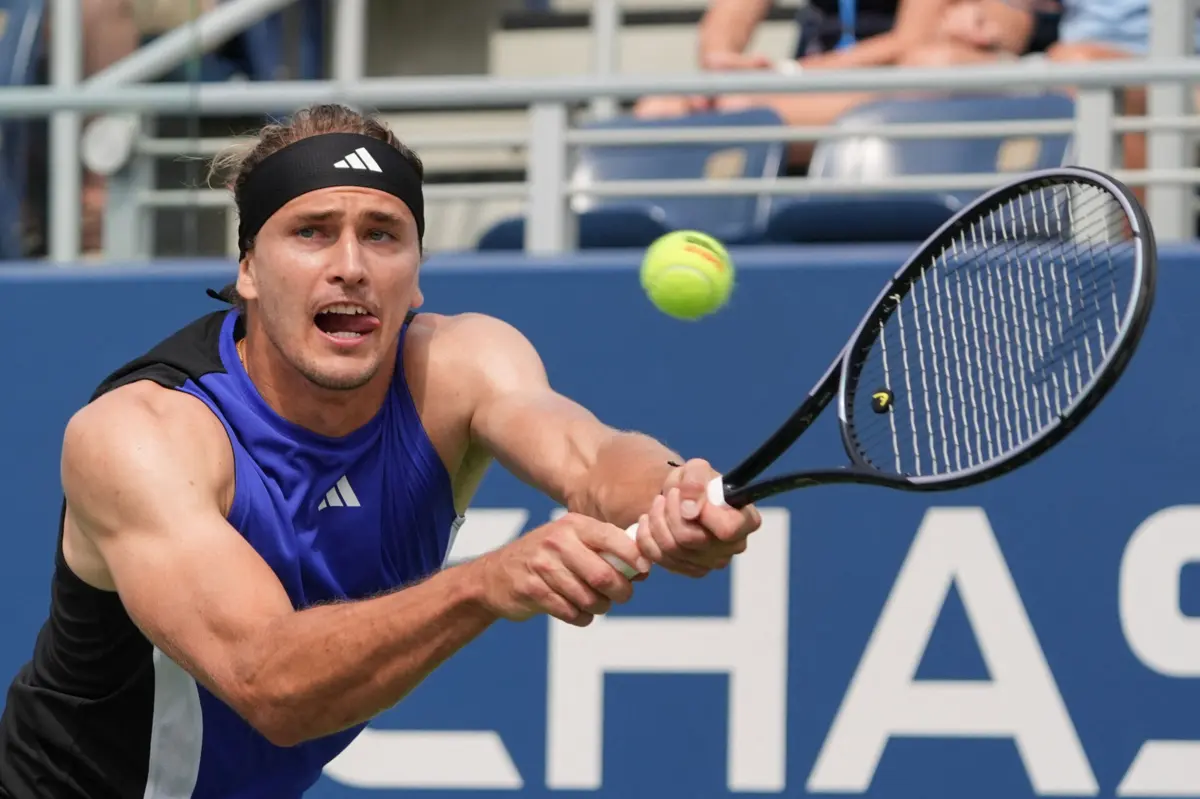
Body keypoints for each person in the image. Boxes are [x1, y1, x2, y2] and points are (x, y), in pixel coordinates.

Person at [0, 103, 762, 799]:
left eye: (382, 234)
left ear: (417, 275)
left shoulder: (459, 368)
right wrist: (486, 583)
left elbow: (590, 459)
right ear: (248, 273)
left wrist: (670, 493)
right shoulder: (142, 434)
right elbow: (273, 685)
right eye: (311, 231)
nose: (352, 266)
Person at [635, 0, 1051, 167]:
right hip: (813, 89)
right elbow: (729, 19)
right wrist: (721, 58)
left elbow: (910, 43)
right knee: (659, 109)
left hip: (898, 90)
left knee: (928, 71)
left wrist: (788, 78)